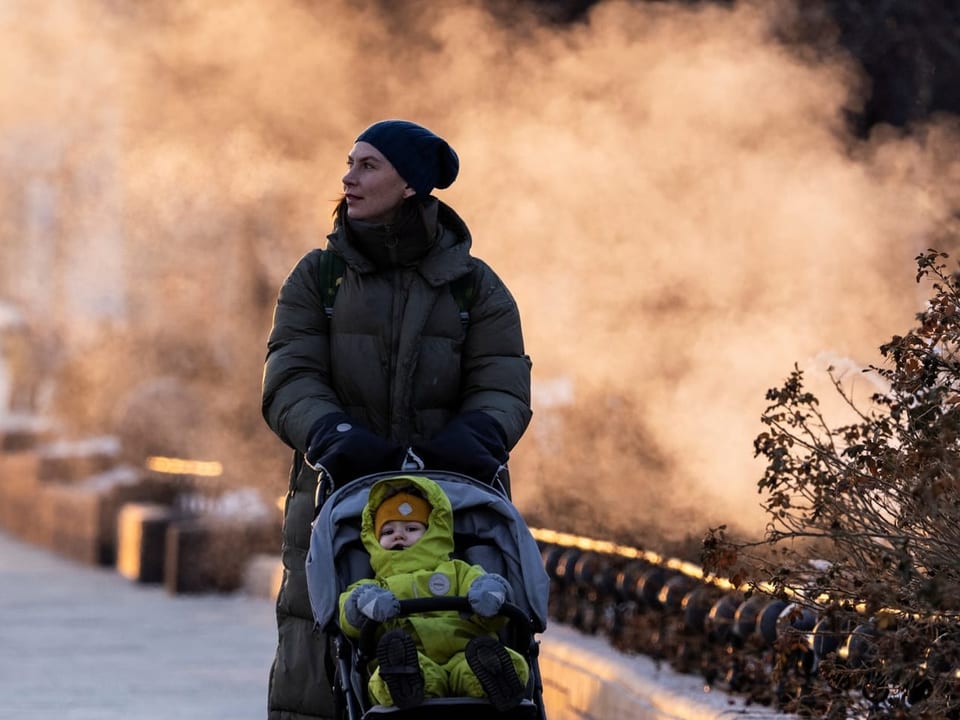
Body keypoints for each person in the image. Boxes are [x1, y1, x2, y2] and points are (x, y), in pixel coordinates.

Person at [261, 119, 532, 719]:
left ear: (410, 184)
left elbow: (502, 381)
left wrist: (477, 435)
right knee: (318, 657)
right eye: (349, 163)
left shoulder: (474, 287)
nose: (347, 178)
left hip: (454, 499)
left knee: (464, 630)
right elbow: (289, 376)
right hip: (336, 497)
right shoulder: (318, 278)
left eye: (367, 165)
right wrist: (330, 434)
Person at [339, 474, 529, 711]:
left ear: (433, 532)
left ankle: (489, 674)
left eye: (411, 528)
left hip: (467, 651)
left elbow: (486, 590)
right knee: (387, 674)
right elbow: (349, 612)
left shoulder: (458, 571)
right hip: (411, 654)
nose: (399, 535)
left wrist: (490, 593)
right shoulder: (378, 585)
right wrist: (363, 604)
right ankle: (407, 679)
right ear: (374, 541)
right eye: (388, 532)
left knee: (498, 661)